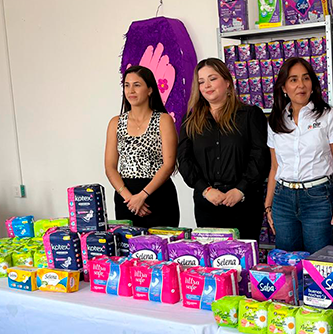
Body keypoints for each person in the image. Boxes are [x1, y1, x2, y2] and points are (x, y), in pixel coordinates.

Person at [177, 58, 269, 240]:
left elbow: (260, 156)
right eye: (201, 82)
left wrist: (240, 189)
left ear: (227, 82)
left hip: (244, 204)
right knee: (211, 257)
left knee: (244, 256)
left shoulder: (250, 115)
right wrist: (205, 190)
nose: (207, 86)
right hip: (207, 204)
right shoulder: (190, 121)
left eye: (212, 79)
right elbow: (184, 160)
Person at [264, 58, 333, 254]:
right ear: (284, 87)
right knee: (286, 262)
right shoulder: (276, 119)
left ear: (312, 84)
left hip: (317, 197)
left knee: (319, 261)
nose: (300, 85)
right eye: (293, 80)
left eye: (306, 78)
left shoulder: (327, 115)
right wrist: (268, 205)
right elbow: (275, 167)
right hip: (282, 199)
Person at [104, 65, 180, 228]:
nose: (131, 90)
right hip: (126, 197)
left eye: (137, 85)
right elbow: (110, 167)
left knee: (162, 243)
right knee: (128, 243)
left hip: (158, 194)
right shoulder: (115, 123)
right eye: (127, 85)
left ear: (150, 90)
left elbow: (169, 165)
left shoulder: (163, 120)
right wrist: (130, 198)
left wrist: (142, 196)